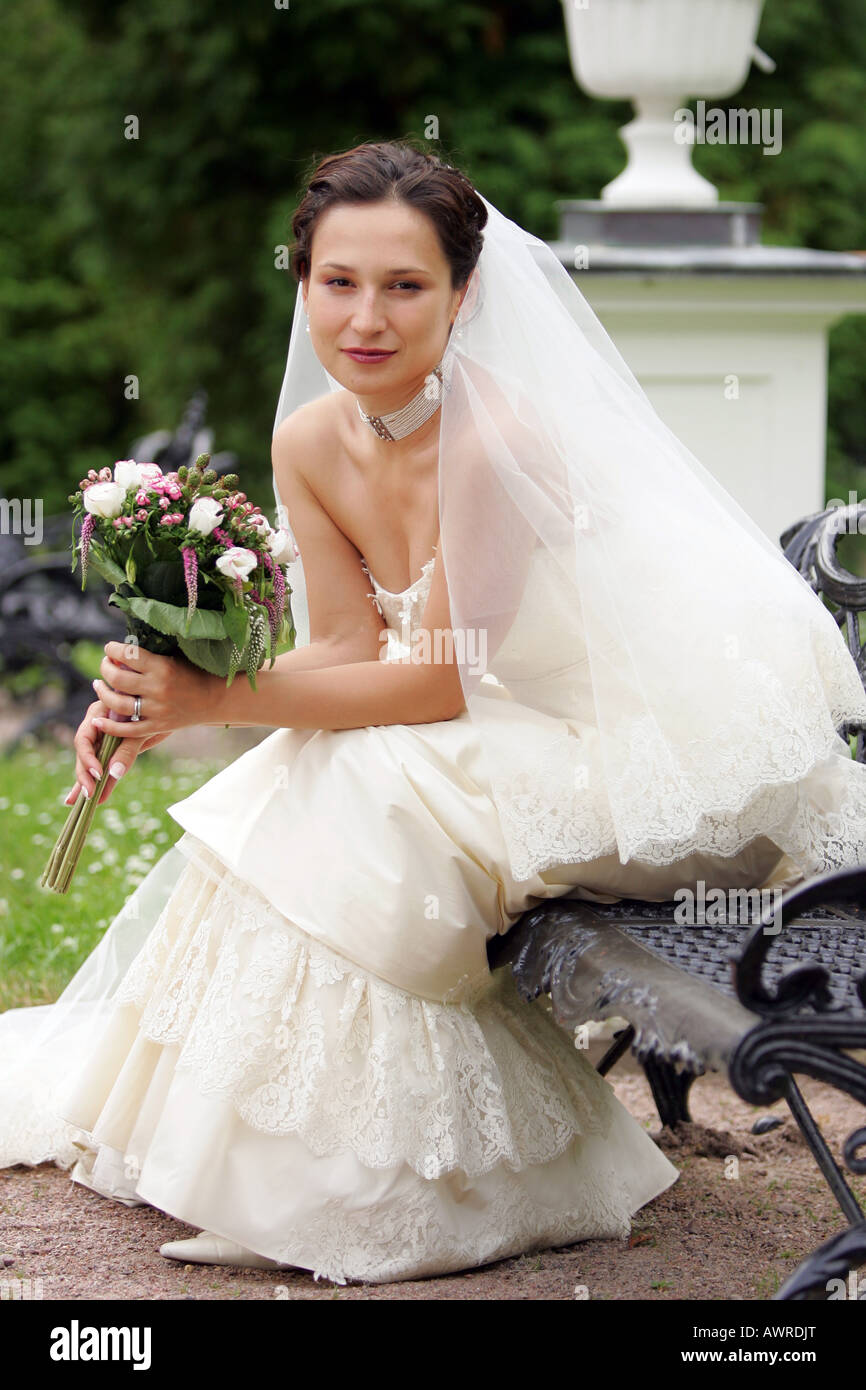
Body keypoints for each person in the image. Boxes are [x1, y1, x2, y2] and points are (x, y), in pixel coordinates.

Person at [2, 138, 866, 1286]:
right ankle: (251, 1153)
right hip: (491, 736)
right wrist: (168, 697)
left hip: (647, 760)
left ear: (462, 297)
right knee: (290, 776)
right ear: (300, 283)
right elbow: (348, 655)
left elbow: (439, 681)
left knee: (358, 785)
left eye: (406, 285)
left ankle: (391, 1188)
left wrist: (213, 694)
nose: (367, 316)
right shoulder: (311, 438)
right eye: (337, 282)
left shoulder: (492, 436)